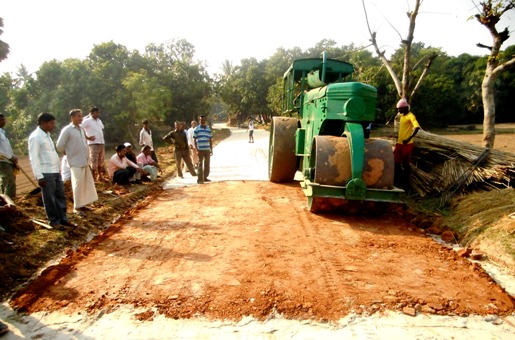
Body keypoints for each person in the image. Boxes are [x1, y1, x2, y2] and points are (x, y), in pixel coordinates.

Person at [28, 113, 77, 230]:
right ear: (43, 123)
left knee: (60, 195)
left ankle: (63, 219)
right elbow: (33, 158)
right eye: (51, 123)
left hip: (55, 170)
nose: (53, 125)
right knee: (49, 198)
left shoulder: (47, 135)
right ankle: (54, 221)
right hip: (46, 172)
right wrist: (39, 176)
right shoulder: (35, 137)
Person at [56, 109, 98, 214]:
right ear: (72, 117)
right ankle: (77, 207)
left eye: (81, 116)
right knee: (78, 184)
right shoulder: (67, 130)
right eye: (78, 116)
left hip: (84, 160)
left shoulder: (81, 129)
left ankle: (83, 204)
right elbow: (59, 145)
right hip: (75, 161)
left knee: (85, 183)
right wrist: (66, 153)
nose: (81, 118)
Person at [393, 98, 421, 189]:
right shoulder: (402, 116)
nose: (398, 110)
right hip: (399, 143)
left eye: (400, 109)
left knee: (406, 164)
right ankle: (397, 181)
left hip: (407, 144)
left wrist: (409, 138)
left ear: (405, 108)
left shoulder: (411, 116)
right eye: (398, 109)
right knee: (396, 162)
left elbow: (416, 127)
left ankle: (407, 185)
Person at [81, 105, 107, 182]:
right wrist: (87, 137)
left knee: (100, 160)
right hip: (93, 143)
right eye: (96, 112)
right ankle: (93, 178)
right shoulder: (87, 121)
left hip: (101, 142)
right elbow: (80, 129)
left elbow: (101, 128)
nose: (98, 114)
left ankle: (100, 176)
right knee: (94, 161)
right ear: (91, 113)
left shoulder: (99, 121)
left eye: (98, 112)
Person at [0, 113, 18, 199]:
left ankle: (4, 201)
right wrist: (10, 157)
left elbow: (6, 148)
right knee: (10, 182)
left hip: (8, 161)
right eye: (2, 120)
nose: (4, 121)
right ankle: (10, 202)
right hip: (3, 161)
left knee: (5, 182)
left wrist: (13, 156)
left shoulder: (2, 133)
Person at [193, 114, 213, 184]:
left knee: (207, 164)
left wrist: (211, 149)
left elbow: (210, 139)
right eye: (201, 120)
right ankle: (199, 179)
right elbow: (194, 140)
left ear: (205, 120)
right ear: (199, 120)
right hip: (200, 150)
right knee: (200, 164)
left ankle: (205, 177)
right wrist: (197, 149)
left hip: (207, 149)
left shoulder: (208, 128)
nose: (202, 121)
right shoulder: (196, 129)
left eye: (203, 120)